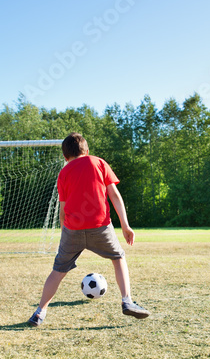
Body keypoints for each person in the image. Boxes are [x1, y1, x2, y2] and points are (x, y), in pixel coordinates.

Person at [27, 132, 150, 327]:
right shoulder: (99, 163)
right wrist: (125, 225)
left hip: (72, 229)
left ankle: (39, 312)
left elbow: (63, 209)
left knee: (58, 271)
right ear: (87, 150)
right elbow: (115, 195)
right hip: (100, 226)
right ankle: (127, 301)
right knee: (118, 258)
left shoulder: (64, 172)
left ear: (65, 157)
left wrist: (65, 233)